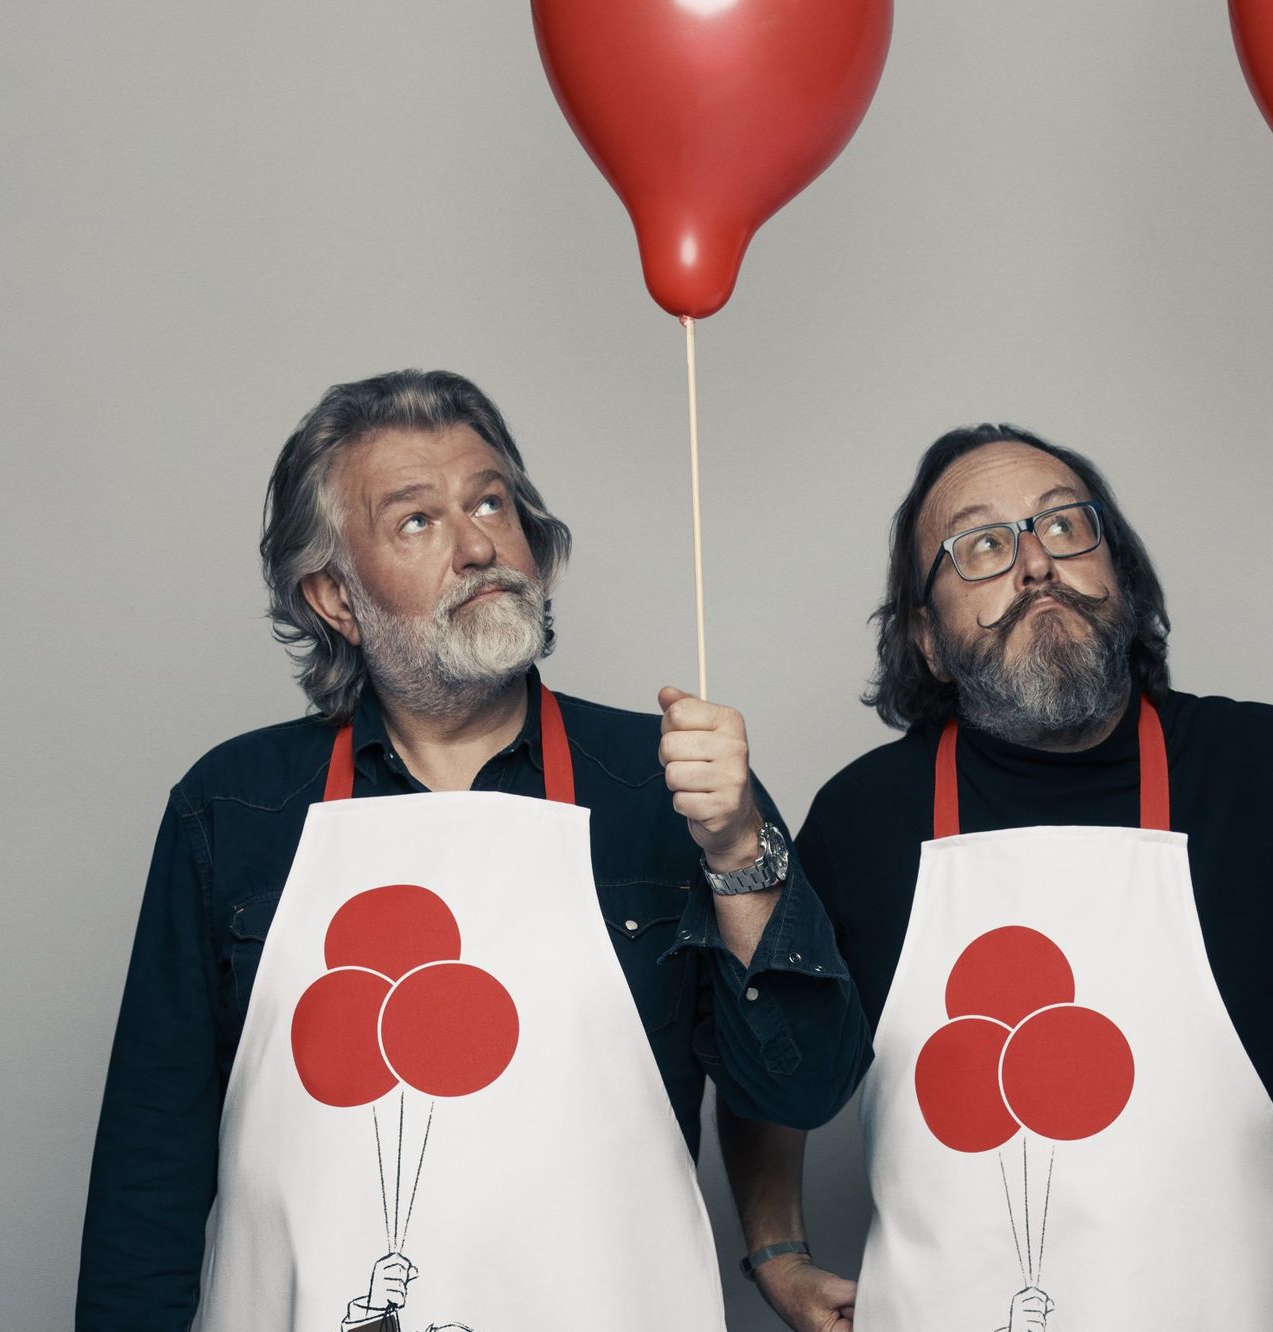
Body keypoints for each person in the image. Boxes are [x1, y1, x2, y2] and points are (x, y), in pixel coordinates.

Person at [720, 424, 1273, 1332]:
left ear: (1124, 579)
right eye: (982, 546)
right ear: (929, 640)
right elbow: (765, 1048)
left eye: (1065, 526)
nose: (1034, 563)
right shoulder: (862, 819)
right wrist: (776, 1252)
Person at [78, 370, 866, 1332]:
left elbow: (806, 1084)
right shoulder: (233, 807)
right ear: (333, 594)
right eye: (417, 521)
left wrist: (741, 846)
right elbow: (149, 1173)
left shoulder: (673, 783)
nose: (479, 545)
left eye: (491, 502)